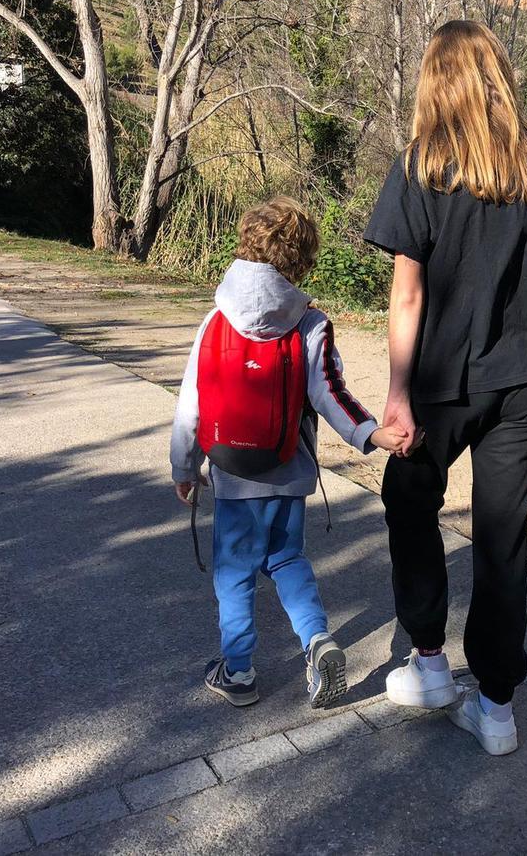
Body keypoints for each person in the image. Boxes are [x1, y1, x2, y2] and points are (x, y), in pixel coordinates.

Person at [363, 20, 527, 756]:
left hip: (443, 378)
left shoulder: (422, 164)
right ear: (498, 74)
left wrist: (396, 394)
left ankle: (429, 664)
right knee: (501, 539)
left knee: (408, 502)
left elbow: (407, 297)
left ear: (437, 80)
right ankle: (496, 710)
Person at [170, 196, 407, 709]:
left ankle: (238, 672)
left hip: (231, 475)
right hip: (287, 468)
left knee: (233, 575)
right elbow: (329, 392)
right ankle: (318, 641)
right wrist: (370, 433)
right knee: (286, 559)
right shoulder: (310, 323)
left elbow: (191, 403)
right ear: (302, 259)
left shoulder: (215, 320)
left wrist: (183, 467)